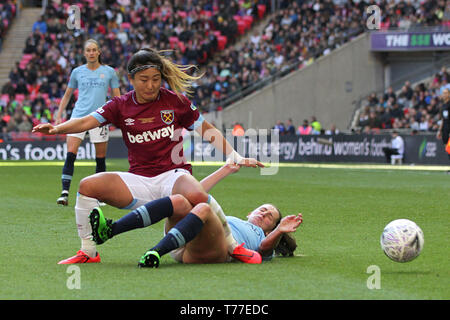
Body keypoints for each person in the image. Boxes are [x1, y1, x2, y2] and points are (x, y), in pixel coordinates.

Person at [33, 48, 264, 264]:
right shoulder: (119, 105)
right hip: (140, 180)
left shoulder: (175, 101)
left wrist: (234, 155)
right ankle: (88, 251)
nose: (151, 85)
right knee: (86, 186)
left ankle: (233, 245)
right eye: (144, 80)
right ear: (131, 80)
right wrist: (57, 128)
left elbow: (207, 129)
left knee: (196, 193)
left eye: (156, 79)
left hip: (173, 176)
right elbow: (85, 121)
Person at [89, 161, 303, 267]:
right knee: (181, 200)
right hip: (184, 241)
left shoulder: (262, 237)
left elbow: (264, 250)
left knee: (203, 208)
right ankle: (110, 230)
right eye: (262, 209)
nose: (264, 214)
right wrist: (226, 169)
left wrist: (279, 230)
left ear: (270, 228)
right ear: (250, 212)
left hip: (213, 251)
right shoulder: (233, 220)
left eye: (269, 217)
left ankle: (154, 252)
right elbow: (196, 192)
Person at [55, 39, 121, 206]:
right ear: (84, 53)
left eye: (94, 50)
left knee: (100, 158)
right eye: (88, 50)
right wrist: (59, 115)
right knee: (71, 155)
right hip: (78, 117)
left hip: (100, 118)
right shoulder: (77, 72)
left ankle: (100, 195)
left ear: (99, 52)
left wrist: (119, 116)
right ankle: (64, 193)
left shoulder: (109, 72)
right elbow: (67, 95)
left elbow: (117, 98)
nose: (91, 53)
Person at [436, 88, 450, 170]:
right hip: (445, 128)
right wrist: (439, 130)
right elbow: (443, 119)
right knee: (447, 149)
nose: (444, 94)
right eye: (443, 93)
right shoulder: (443, 105)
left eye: (446, 93)